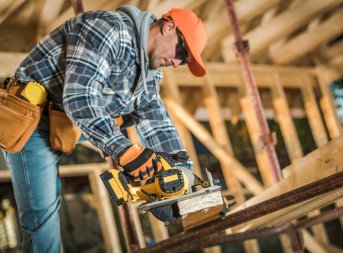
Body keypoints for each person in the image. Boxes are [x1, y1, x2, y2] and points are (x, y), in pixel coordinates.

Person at [2, 5, 207, 253]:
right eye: (181, 53)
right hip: (32, 120)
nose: (176, 62)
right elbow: (80, 96)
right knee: (42, 218)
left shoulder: (151, 73)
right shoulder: (108, 28)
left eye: (183, 62)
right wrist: (123, 150)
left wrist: (185, 177)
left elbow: (156, 120)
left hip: (69, 123)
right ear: (168, 27)